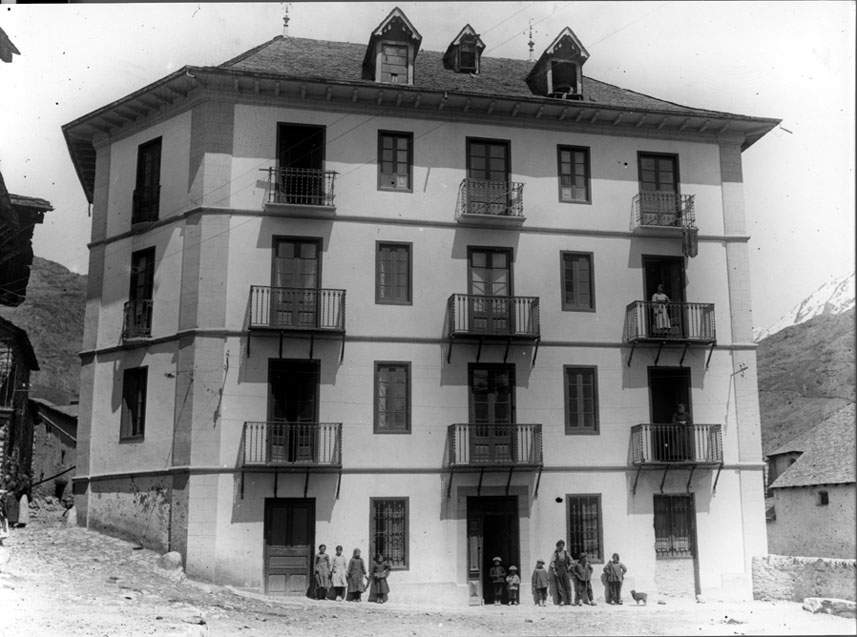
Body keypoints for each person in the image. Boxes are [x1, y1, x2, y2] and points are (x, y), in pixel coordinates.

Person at [550, 540, 573, 606]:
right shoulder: (555, 553)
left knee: (568, 585)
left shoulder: (566, 553)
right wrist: (554, 571)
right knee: (559, 586)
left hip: (565, 569)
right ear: (557, 546)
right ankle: (561, 601)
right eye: (560, 545)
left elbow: (571, 560)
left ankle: (569, 601)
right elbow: (552, 562)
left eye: (562, 545)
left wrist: (569, 567)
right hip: (558, 570)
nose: (561, 546)